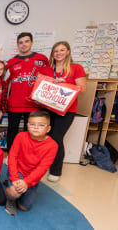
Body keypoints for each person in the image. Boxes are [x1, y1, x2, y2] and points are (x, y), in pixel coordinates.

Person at [39, 41, 87, 182]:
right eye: (56, 51)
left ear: (68, 51)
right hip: (47, 108)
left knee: (56, 139)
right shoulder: (47, 69)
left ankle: (56, 170)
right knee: (44, 137)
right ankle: (43, 166)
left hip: (66, 110)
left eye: (62, 50)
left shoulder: (76, 68)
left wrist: (64, 84)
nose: (58, 53)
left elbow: (83, 89)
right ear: (52, 54)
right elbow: (40, 87)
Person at [5, 111, 58, 216]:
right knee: (14, 192)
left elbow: (42, 168)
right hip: (18, 171)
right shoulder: (20, 136)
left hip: (32, 177)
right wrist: (15, 178)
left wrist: (27, 182)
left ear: (48, 129)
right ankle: (10, 199)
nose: (36, 127)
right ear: (27, 125)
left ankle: (13, 184)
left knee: (24, 207)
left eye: (41, 125)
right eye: (32, 124)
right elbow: (12, 157)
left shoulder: (53, 145)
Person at [5, 32, 49, 151]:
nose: (23, 44)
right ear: (17, 45)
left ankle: (26, 155)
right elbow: (4, 84)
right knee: (12, 130)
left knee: (30, 133)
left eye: (26, 41)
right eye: (21, 42)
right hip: (15, 104)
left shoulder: (42, 59)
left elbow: (48, 79)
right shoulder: (10, 63)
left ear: (31, 42)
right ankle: (11, 155)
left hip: (34, 104)